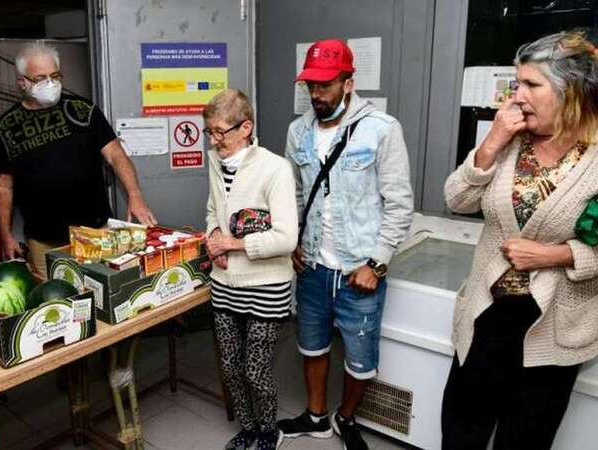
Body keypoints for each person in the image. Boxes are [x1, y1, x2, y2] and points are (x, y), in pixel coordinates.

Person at [441, 30, 598, 450]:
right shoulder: (511, 141)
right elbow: (456, 198)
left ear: (572, 91)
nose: (517, 95)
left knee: (524, 438)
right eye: (517, 83)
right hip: (486, 314)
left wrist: (554, 254)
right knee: (462, 429)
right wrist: (491, 143)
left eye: (531, 84)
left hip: (552, 324)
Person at [277, 39, 414, 450]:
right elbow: (295, 195)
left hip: (360, 269)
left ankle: (346, 416)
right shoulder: (297, 130)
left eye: (326, 85)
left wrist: (378, 263)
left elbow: (400, 204)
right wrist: (293, 240)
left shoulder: (382, 129)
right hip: (314, 266)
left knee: (360, 360)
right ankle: (317, 417)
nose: (316, 95)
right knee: (312, 345)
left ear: (348, 82)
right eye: (310, 87)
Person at [0, 42, 156, 275]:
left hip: (95, 232)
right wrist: (5, 234)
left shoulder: (82, 111)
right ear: (22, 82)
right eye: (40, 78)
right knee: (53, 299)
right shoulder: (6, 127)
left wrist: (135, 195)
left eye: (55, 76)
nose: (50, 83)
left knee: (101, 293)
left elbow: (116, 155)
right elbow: (2, 186)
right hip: (43, 241)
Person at [204, 89, 298, 450]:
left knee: (255, 369)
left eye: (219, 132)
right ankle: (247, 427)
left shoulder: (275, 169)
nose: (213, 142)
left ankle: (268, 431)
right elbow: (214, 208)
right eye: (209, 132)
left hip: (266, 284)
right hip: (224, 281)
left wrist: (233, 244)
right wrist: (215, 236)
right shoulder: (215, 161)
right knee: (230, 366)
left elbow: (287, 238)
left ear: (246, 128)